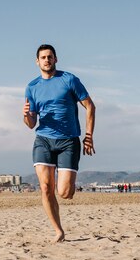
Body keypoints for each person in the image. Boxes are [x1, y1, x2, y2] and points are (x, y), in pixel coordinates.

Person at [23, 44, 96, 243]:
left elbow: (90, 106)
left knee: (65, 193)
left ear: (55, 59)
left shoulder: (69, 80)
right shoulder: (32, 87)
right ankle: (58, 231)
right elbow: (31, 124)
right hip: (43, 140)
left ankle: (67, 183)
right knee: (46, 188)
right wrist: (26, 116)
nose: (47, 60)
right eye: (43, 57)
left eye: (50, 57)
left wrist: (89, 135)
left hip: (68, 141)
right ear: (37, 61)